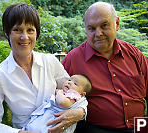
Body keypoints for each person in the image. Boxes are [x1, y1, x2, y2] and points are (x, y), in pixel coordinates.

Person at [0, 3, 86, 133]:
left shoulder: (50, 62)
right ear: (7, 32)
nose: (24, 37)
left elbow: (76, 92)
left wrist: (81, 112)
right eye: (17, 30)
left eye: (30, 30)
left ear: (37, 33)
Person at [62, 1, 148, 133]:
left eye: (104, 25)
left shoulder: (134, 54)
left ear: (117, 24)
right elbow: (55, 98)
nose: (98, 33)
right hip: (95, 129)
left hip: (140, 127)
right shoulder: (72, 60)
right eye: (91, 28)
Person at [24, 74, 92, 133]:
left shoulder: (74, 96)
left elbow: (63, 102)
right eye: (69, 80)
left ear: (82, 94)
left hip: (54, 120)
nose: (69, 83)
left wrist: (59, 92)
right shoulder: (66, 93)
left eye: (75, 83)